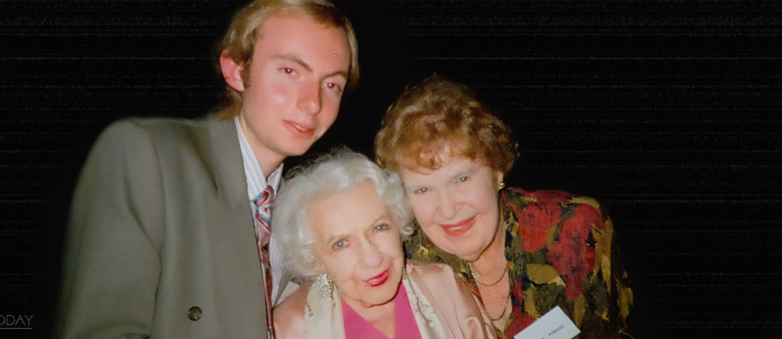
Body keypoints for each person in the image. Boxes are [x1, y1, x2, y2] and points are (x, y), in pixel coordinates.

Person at [56, 0, 358, 337]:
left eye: (332, 84)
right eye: (290, 71)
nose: (313, 102)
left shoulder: (304, 209)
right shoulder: (148, 157)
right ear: (235, 69)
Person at [374, 75, 634, 338]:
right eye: (423, 189)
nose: (448, 210)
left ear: (497, 169)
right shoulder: (401, 264)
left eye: (461, 178)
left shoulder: (577, 227)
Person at [271, 149, 495, 338]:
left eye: (379, 228)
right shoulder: (292, 327)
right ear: (314, 258)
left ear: (398, 223)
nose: (373, 259)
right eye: (341, 244)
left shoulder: (441, 286)